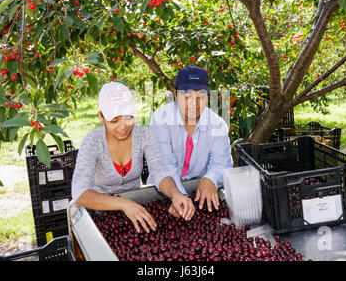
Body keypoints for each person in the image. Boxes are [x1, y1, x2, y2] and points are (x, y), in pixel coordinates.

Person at [71, 81, 195, 234]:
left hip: (137, 209)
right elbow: (80, 193)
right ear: (101, 116)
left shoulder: (143, 135)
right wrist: (123, 204)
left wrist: (175, 194)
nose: (123, 127)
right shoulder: (93, 142)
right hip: (101, 211)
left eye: (128, 118)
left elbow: (159, 171)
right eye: (114, 120)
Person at [147, 65, 233, 216]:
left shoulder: (217, 125)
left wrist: (211, 179)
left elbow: (222, 163)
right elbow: (164, 164)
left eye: (200, 96)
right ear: (175, 94)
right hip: (163, 192)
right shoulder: (161, 120)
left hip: (200, 195)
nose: (194, 103)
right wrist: (178, 195)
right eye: (187, 97)